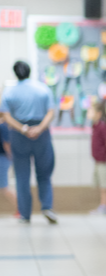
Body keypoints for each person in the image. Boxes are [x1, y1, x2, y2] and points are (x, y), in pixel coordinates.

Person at [0, 61, 58, 224]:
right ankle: (47, 207)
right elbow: (51, 112)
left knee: (22, 176)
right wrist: (39, 128)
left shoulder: (9, 92)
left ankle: (25, 214)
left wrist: (23, 129)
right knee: (44, 174)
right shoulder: (42, 89)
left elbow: (6, 116)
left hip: (19, 135)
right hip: (41, 134)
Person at [0, 115, 19, 217]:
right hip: (4, 158)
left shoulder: (3, 126)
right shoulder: (4, 126)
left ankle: (20, 209)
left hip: (3, 158)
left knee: (5, 187)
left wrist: (11, 157)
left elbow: (6, 144)